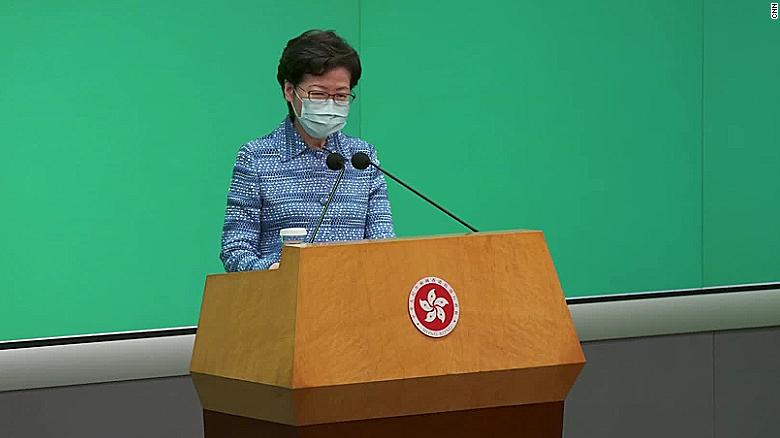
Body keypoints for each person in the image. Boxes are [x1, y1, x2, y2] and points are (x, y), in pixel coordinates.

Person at [220, 30, 395, 272]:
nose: (331, 103)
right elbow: (235, 250)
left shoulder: (362, 158)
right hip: (283, 301)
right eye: (319, 94)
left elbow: (383, 244)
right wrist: (276, 272)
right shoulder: (256, 158)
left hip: (354, 300)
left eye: (341, 95)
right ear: (290, 91)